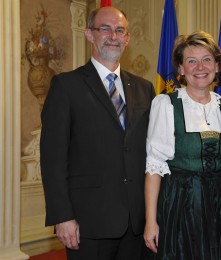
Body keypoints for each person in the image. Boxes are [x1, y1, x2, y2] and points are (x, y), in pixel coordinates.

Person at [40, 6, 155, 260]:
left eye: (120, 30)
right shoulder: (66, 86)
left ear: (127, 38)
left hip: (137, 224)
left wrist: (154, 215)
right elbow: (53, 159)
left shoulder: (144, 89)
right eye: (105, 28)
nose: (113, 36)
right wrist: (62, 216)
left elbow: (153, 154)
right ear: (90, 34)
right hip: (88, 223)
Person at [143, 31, 221, 260]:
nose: (200, 67)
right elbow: (154, 166)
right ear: (181, 69)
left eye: (207, 59)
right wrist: (151, 221)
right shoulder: (166, 104)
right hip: (181, 204)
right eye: (191, 61)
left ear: (217, 66)